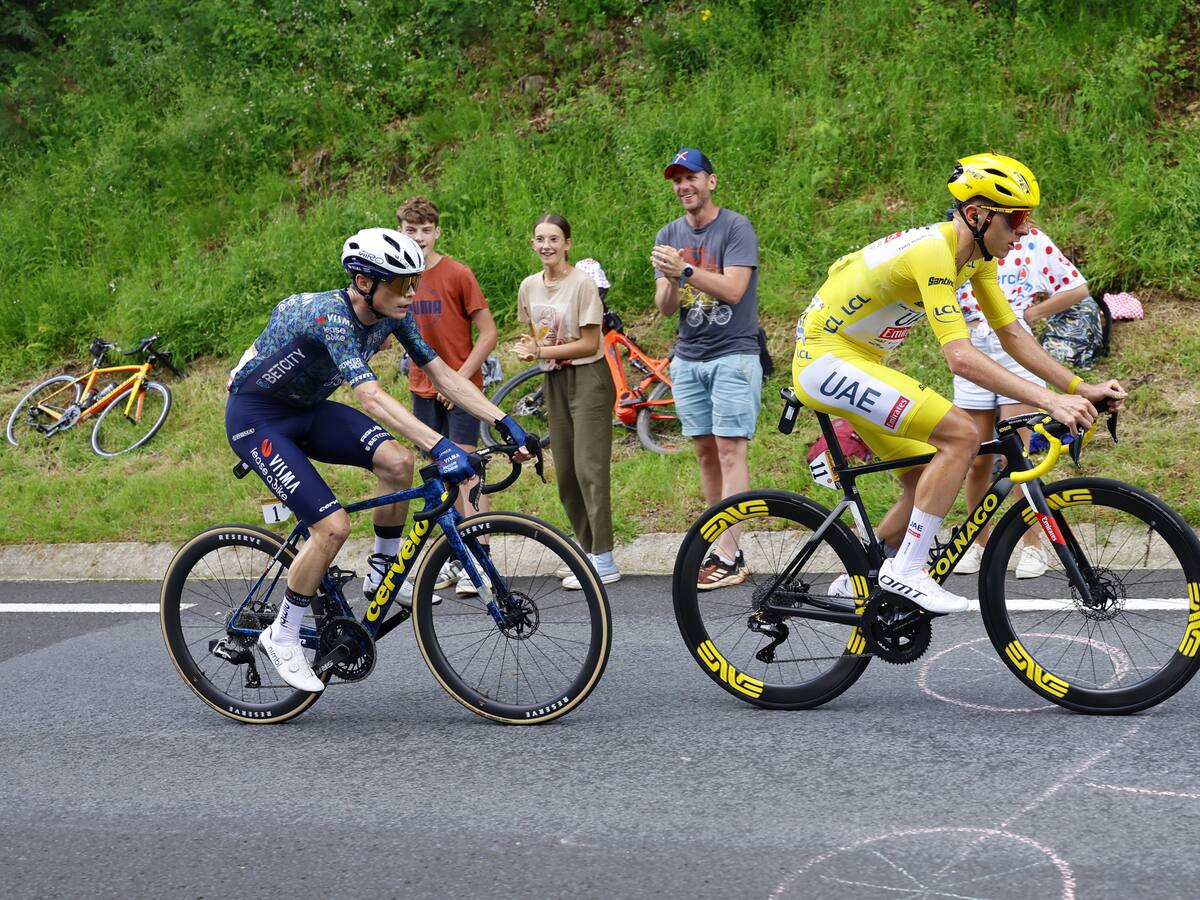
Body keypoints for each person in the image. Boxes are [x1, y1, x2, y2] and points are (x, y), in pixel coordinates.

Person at [791, 153, 1125, 614]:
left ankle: (862, 580)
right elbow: (961, 357)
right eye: (1017, 219)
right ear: (976, 214)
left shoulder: (976, 258)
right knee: (963, 435)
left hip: (858, 358)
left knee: (925, 476)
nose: (1026, 230)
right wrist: (1049, 399)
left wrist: (1076, 388)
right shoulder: (933, 251)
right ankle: (906, 570)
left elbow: (1011, 335)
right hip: (825, 359)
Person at [226, 228, 536, 692]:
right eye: (400, 284)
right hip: (257, 418)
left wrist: (504, 420)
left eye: (413, 282)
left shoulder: (391, 314)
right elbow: (370, 396)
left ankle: (380, 574)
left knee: (397, 463)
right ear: (363, 281)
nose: (411, 293)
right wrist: (440, 444)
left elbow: (443, 375)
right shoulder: (330, 316)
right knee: (332, 527)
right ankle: (283, 632)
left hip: (306, 410)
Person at [650, 148, 761, 591]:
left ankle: (731, 555)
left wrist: (687, 268)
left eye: (691, 177)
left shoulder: (735, 227)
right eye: (677, 180)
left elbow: (734, 290)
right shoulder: (668, 233)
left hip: (733, 353)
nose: (684, 187)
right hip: (688, 357)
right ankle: (720, 545)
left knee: (732, 451)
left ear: (710, 181)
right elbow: (663, 308)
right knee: (704, 452)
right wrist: (671, 280)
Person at [953, 225, 1091, 579]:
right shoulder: (961, 242)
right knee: (975, 458)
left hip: (1015, 345)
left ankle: (1033, 547)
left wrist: (1032, 314)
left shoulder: (1030, 239)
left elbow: (1077, 287)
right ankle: (978, 544)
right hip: (971, 344)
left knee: (1017, 457)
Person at [397, 196, 499, 596]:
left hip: (461, 388)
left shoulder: (458, 273)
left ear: (437, 232)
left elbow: (489, 334)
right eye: (411, 230)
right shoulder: (398, 278)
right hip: (422, 389)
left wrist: (457, 379)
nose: (419, 238)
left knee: (468, 470)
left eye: (426, 230)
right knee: (438, 478)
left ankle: (481, 557)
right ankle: (452, 558)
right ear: (400, 233)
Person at [512, 214, 620, 588]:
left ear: (567, 244)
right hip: (554, 378)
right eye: (540, 239)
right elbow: (536, 334)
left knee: (590, 467)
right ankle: (586, 546)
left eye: (554, 239)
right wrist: (532, 349)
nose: (547, 245)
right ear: (533, 244)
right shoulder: (528, 286)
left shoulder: (582, 284)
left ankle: (603, 557)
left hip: (589, 377)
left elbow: (591, 343)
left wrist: (541, 349)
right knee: (566, 472)